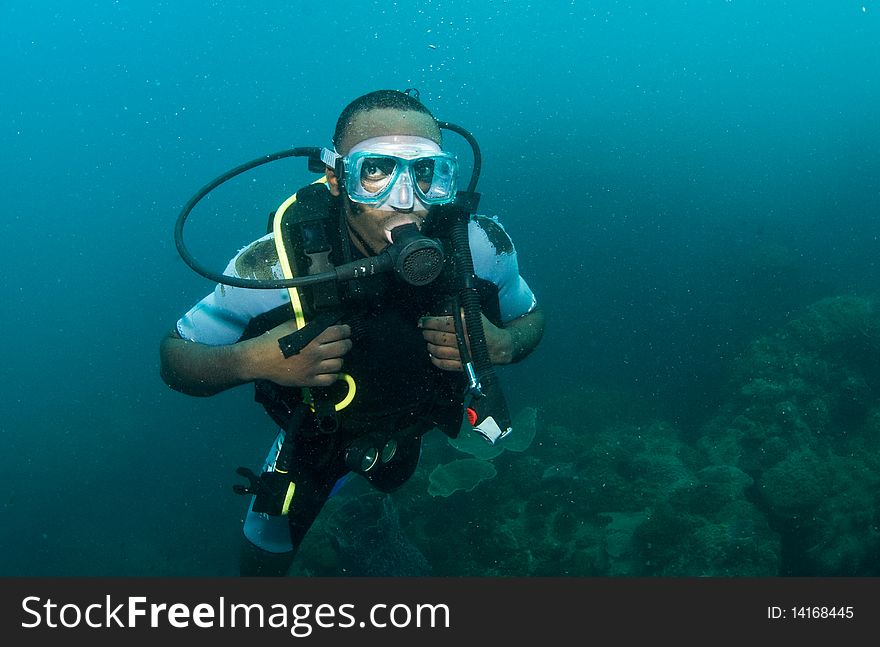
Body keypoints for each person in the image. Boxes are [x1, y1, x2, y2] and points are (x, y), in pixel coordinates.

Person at [159, 89, 545, 576]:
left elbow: (529, 317)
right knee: (262, 558)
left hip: (417, 425)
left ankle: (367, 517)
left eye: (427, 174)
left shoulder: (480, 246)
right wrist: (253, 360)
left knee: (392, 479)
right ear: (337, 179)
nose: (406, 201)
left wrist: (505, 344)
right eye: (377, 172)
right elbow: (174, 358)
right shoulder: (275, 267)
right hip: (319, 440)